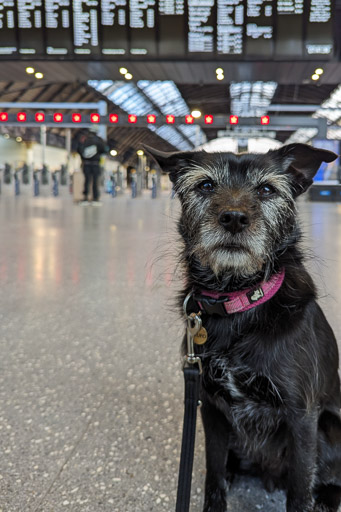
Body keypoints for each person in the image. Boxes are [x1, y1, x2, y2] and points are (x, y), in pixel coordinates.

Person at [75, 130, 108, 205]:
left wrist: (84, 158)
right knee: (95, 181)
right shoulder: (99, 140)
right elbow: (104, 150)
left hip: (86, 164)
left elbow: (79, 149)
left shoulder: (84, 139)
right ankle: (95, 198)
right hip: (96, 164)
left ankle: (85, 197)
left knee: (87, 180)